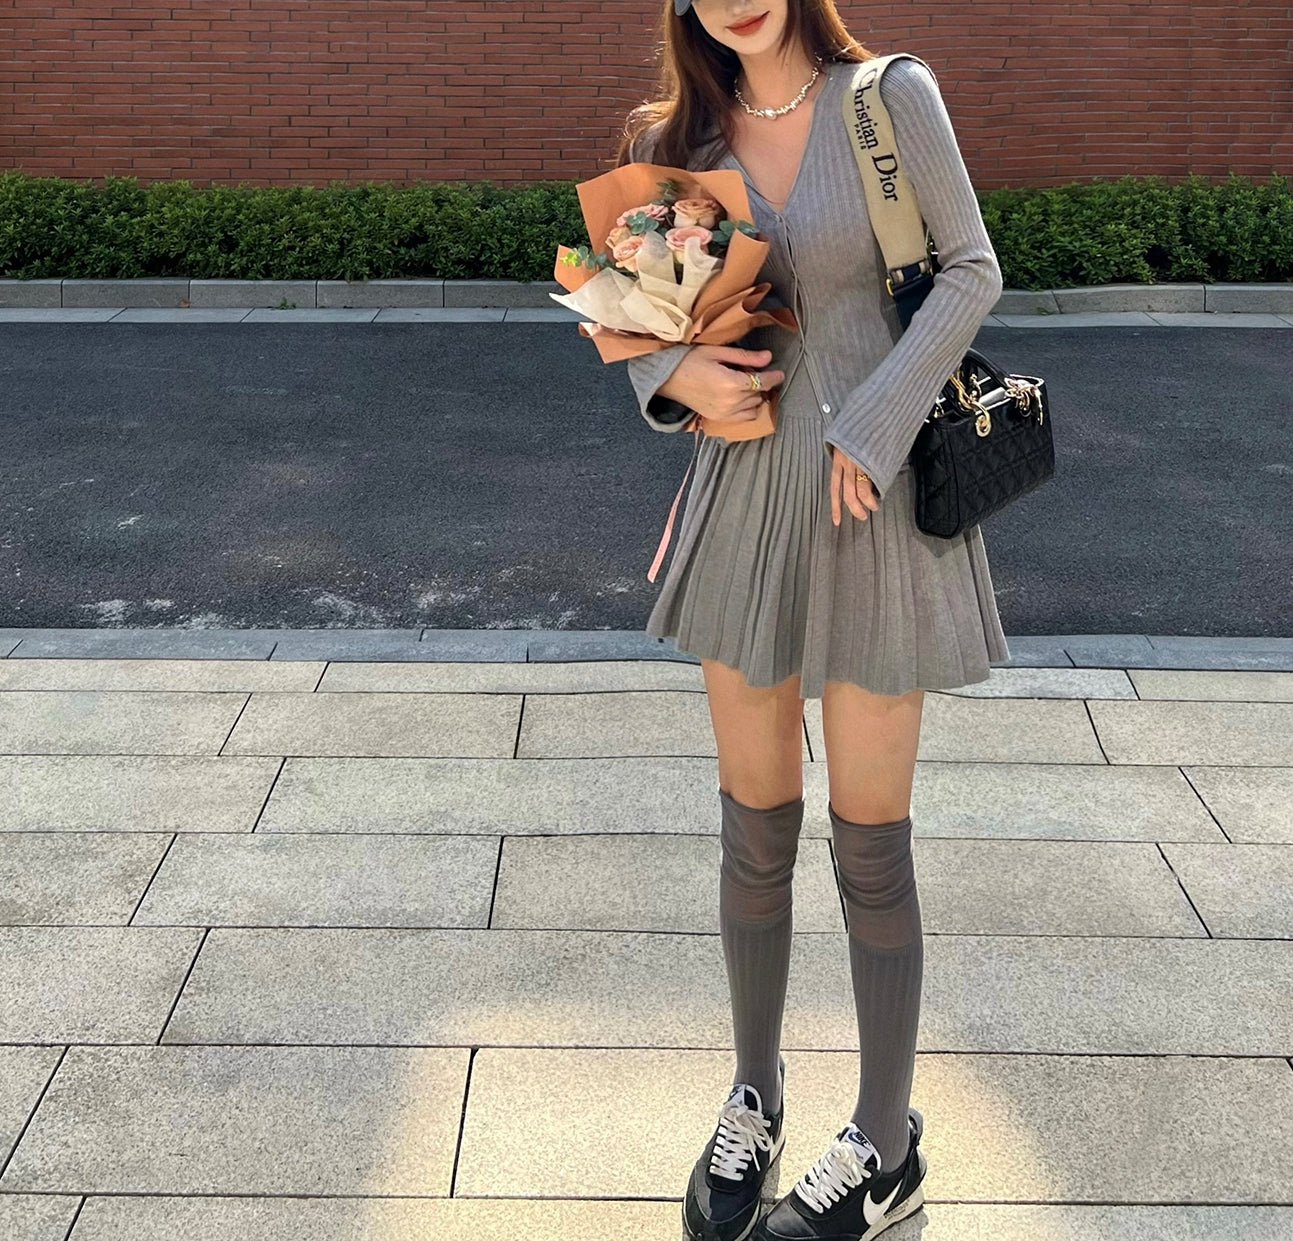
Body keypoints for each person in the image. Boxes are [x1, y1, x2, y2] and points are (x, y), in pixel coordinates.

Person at [617, 2, 1010, 1239]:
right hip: (743, 504)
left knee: (870, 842)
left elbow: (971, 269)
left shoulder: (888, 99)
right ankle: (755, 1095)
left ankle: (886, 1142)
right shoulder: (674, 138)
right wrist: (668, 375)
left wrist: (879, 420)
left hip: (872, 503)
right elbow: (646, 324)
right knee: (754, 831)